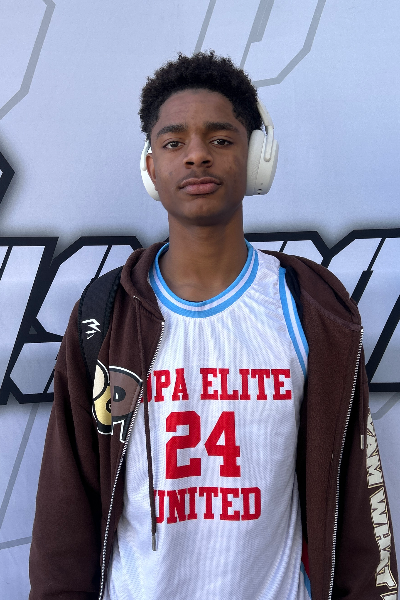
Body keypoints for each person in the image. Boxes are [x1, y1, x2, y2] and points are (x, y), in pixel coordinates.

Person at [29, 52, 397, 600]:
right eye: (173, 142)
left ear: (256, 160)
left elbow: (356, 502)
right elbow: (65, 507)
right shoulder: (105, 314)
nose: (197, 154)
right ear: (150, 167)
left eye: (221, 139)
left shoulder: (310, 309)